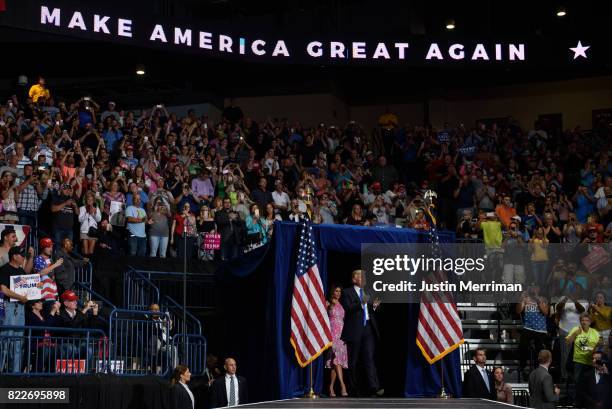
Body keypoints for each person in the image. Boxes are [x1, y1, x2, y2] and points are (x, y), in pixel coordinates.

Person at [341, 270, 383, 397]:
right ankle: (354, 388)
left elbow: (372, 309)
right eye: (359, 275)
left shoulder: (368, 292)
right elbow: (347, 308)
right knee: (353, 360)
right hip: (354, 330)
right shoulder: (347, 292)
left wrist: (375, 306)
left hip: (368, 329)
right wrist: (361, 303)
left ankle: (374, 387)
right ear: (354, 279)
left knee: (369, 359)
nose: (363, 277)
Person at [0, 246, 29, 373]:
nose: (24, 258)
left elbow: (28, 288)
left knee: (18, 342)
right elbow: (3, 289)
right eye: (22, 255)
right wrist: (20, 297)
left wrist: (36, 286)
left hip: (21, 308)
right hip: (8, 307)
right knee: (5, 341)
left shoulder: (22, 271)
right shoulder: (4, 269)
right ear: (14, 256)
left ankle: (15, 374)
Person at [516, 284, 549, 373]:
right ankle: (522, 366)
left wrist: (538, 300)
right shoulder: (526, 299)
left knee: (540, 350)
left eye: (536, 286)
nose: (534, 288)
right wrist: (521, 299)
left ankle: (539, 368)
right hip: (528, 328)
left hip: (540, 329)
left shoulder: (543, 299)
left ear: (539, 289)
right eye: (532, 287)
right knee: (522, 345)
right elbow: (518, 311)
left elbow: (546, 312)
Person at [566, 313, 602, 389]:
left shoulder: (594, 332)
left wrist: (599, 344)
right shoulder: (576, 329)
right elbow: (567, 342)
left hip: (590, 362)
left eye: (586, 320)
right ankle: (577, 399)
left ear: (590, 322)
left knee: (589, 383)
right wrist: (575, 334)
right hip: (578, 361)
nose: (584, 322)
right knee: (577, 382)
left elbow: (600, 344)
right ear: (580, 321)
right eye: (582, 320)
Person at [325, 285, 348, 397]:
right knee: (337, 359)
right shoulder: (328, 303)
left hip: (341, 335)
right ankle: (343, 385)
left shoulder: (341, 304)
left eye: (339, 291)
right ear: (332, 292)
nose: (338, 293)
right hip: (332, 334)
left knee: (335, 362)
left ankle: (331, 387)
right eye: (336, 291)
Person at [32, 237, 63, 302]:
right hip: (42, 293)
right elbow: (41, 273)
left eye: (51, 247)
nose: (51, 249)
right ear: (43, 247)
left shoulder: (50, 259)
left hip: (52, 292)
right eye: (48, 247)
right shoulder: (38, 259)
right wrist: (55, 265)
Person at [78, 191, 102, 257]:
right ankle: (86, 266)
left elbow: (99, 219)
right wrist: (87, 212)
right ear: (86, 200)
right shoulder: (82, 208)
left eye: (91, 200)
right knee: (85, 251)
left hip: (93, 231)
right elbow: (80, 219)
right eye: (88, 199)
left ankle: (91, 265)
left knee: (91, 251)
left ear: (94, 200)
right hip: (84, 230)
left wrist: (94, 213)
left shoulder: (96, 208)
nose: (90, 201)